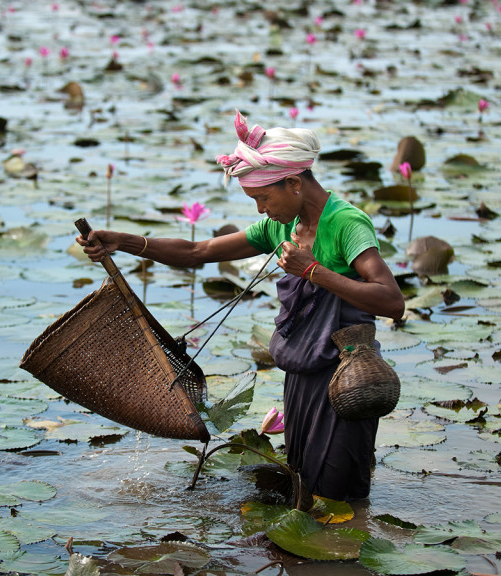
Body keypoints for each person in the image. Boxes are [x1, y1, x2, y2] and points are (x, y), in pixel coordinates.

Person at [77, 110, 405, 501]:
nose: (261, 209)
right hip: (301, 375)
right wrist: (125, 242)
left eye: (263, 197)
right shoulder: (284, 226)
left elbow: (392, 300)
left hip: (346, 376)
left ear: (293, 183)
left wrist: (314, 271)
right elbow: (199, 250)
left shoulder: (346, 224)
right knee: (304, 483)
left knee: (340, 489)